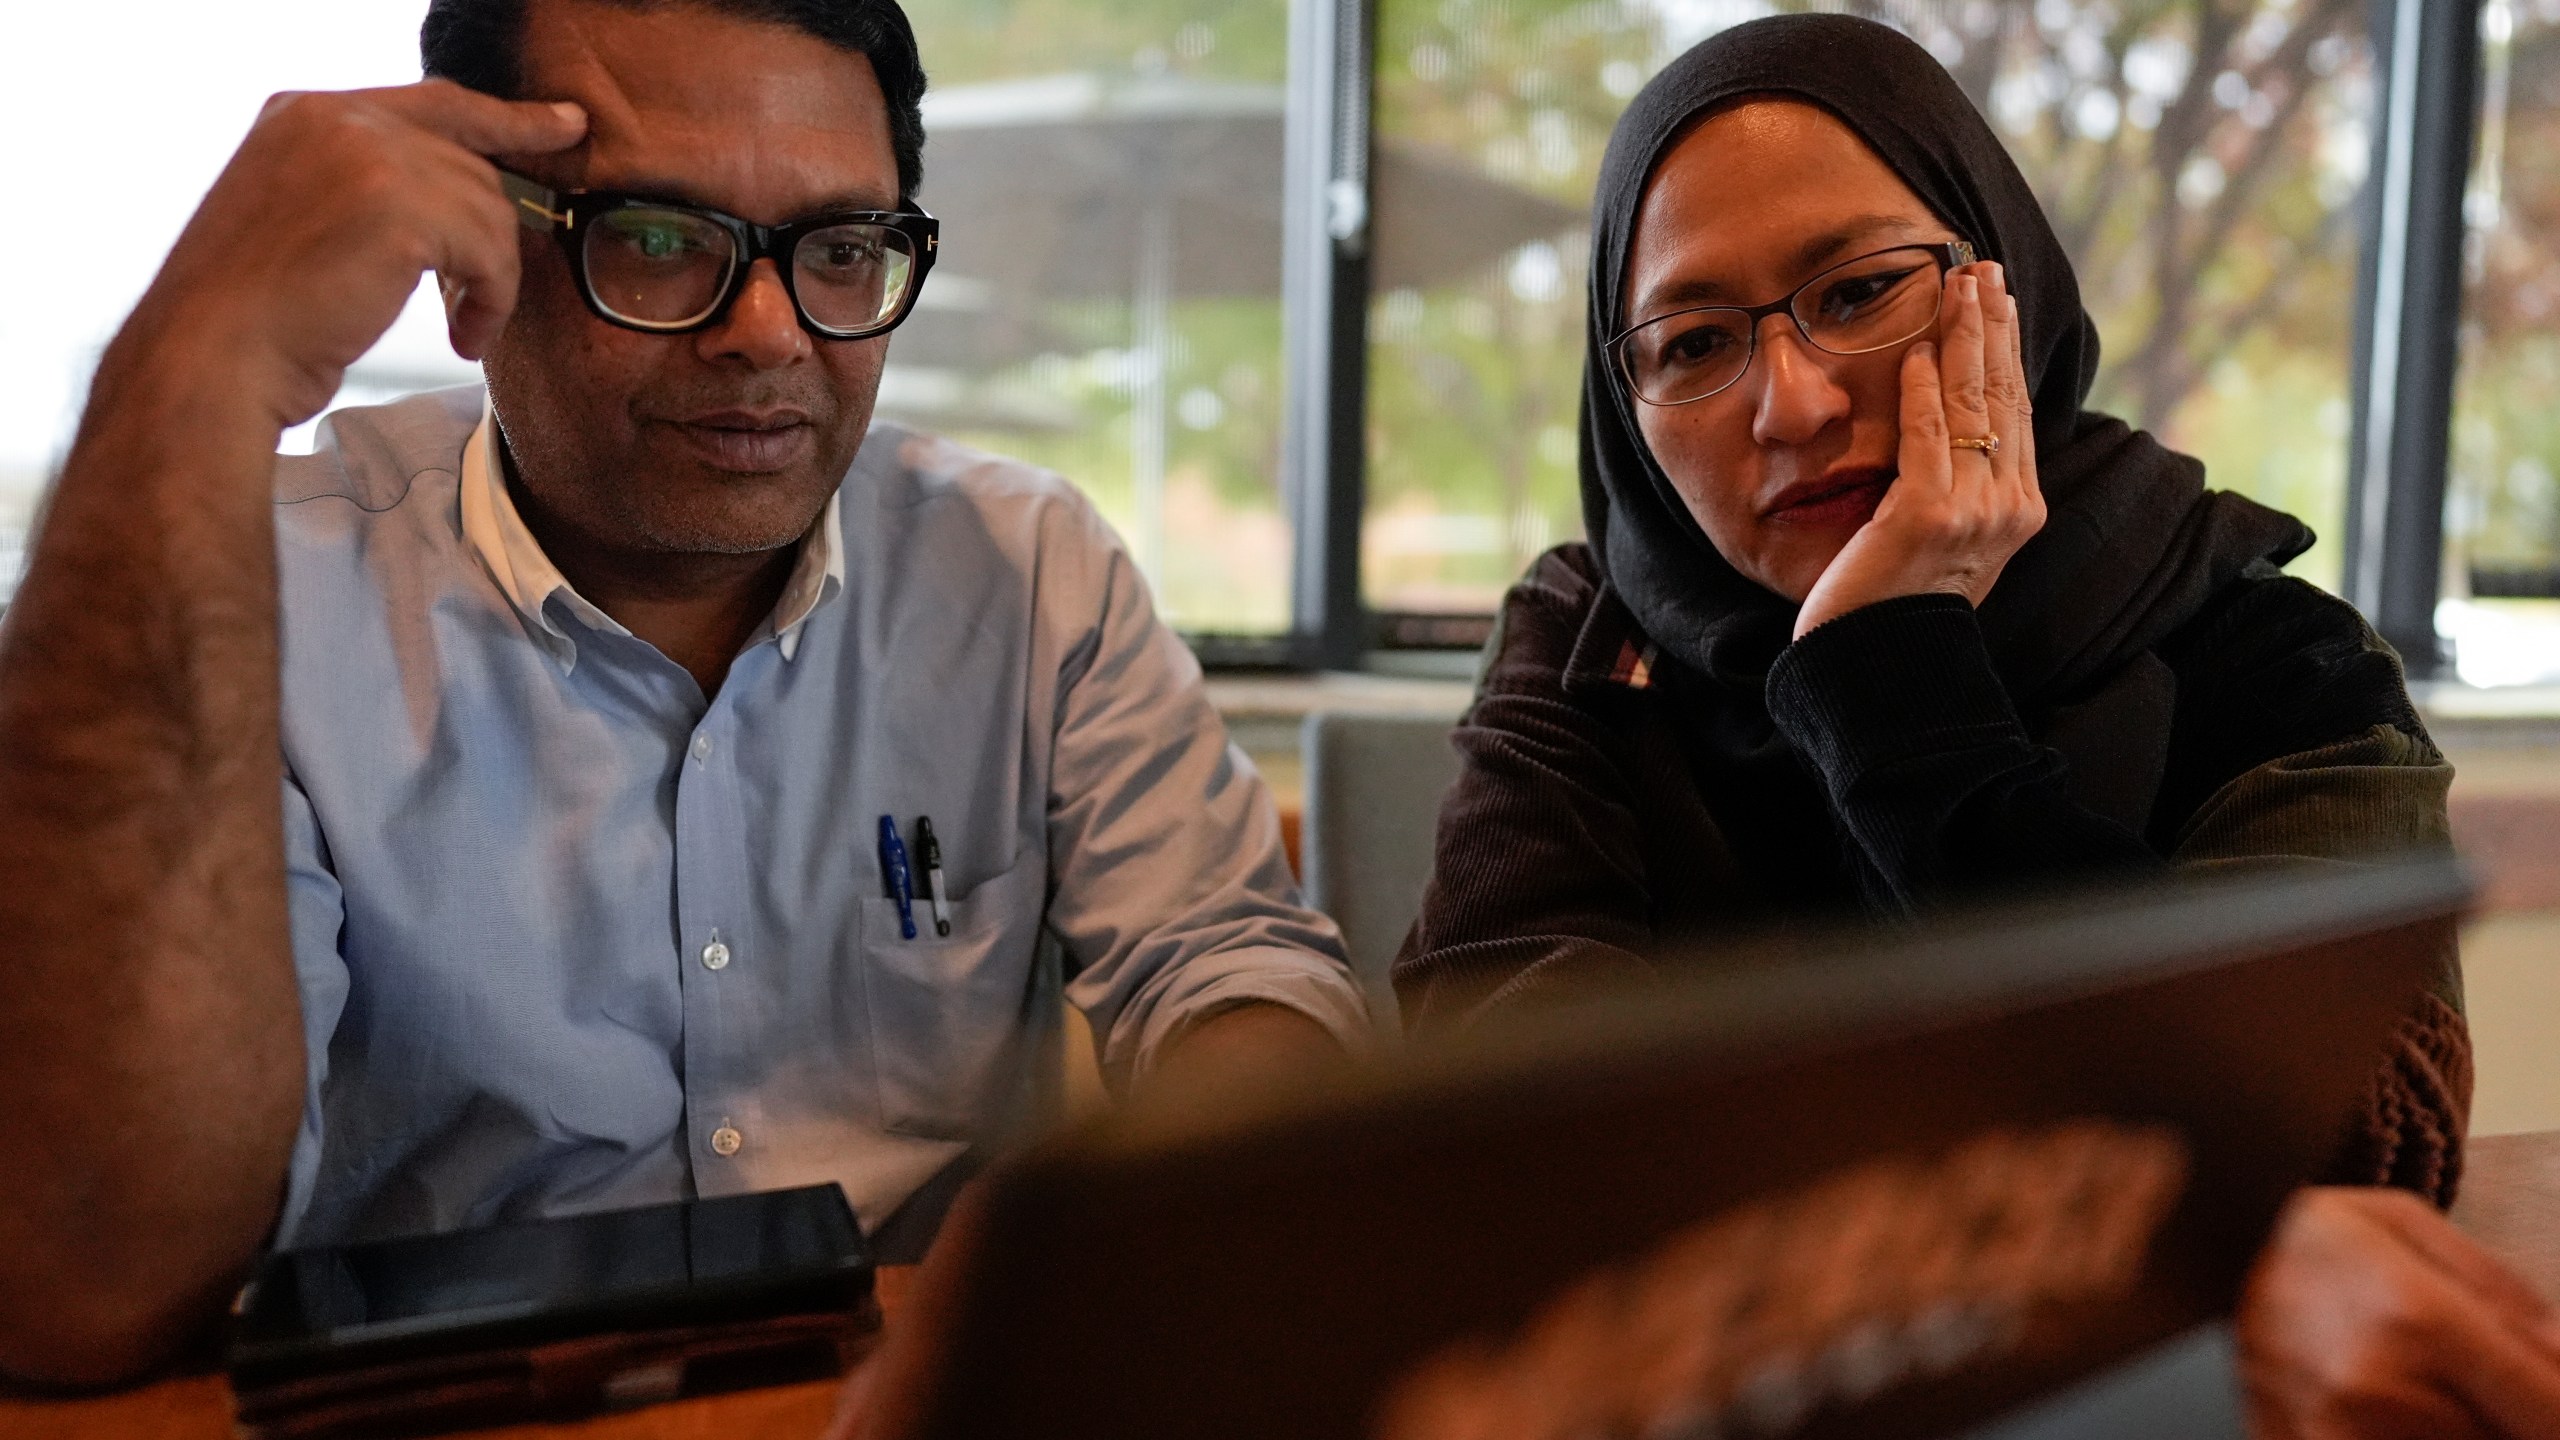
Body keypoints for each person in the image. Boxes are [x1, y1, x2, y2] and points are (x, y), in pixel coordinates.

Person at [0, 0, 1366, 1388]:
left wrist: (1139, 1227)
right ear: (475, 257)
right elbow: (89, 1280)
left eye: (840, 251)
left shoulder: (1025, 573)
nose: (768, 332)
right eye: (658, 241)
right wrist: (195, 367)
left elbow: (1227, 965)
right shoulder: (269, 598)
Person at [1396, 12, 2465, 1201]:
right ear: (1625, 411)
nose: (1790, 407)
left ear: (2000, 280)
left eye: (1857, 292)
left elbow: (2357, 1137)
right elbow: (1480, 1123)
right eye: (1694, 342)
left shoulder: (2267, 652)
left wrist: (1893, 683)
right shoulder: (1594, 637)